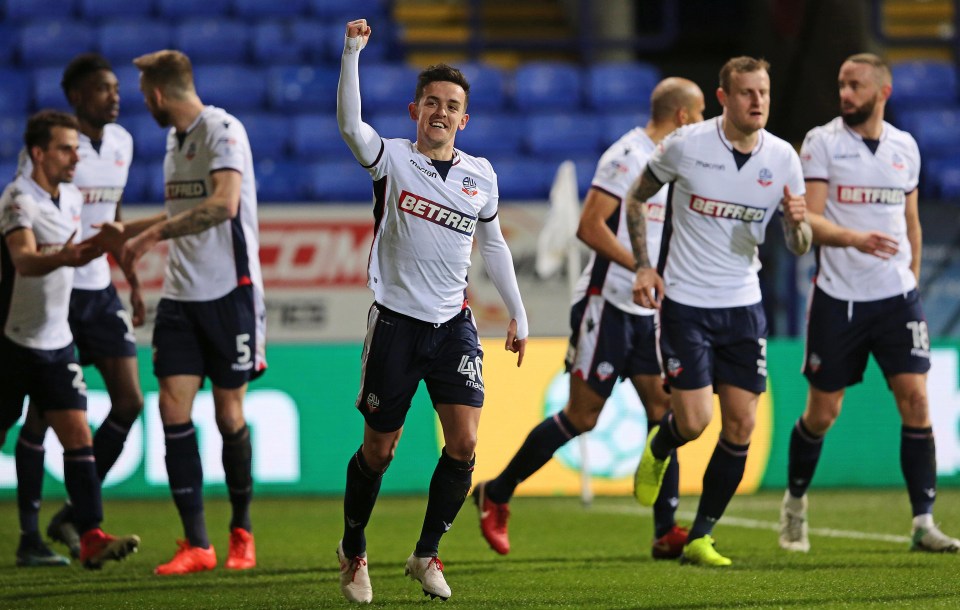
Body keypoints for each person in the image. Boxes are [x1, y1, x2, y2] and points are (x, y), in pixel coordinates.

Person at [471, 77, 705, 559]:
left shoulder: (671, 164)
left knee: (666, 412)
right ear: (682, 116)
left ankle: (665, 531)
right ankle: (496, 492)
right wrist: (638, 266)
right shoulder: (627, 155)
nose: (702, 126)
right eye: (699, 115)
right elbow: (589, 225)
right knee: (582, 417)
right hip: (608, 301)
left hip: (647, 309)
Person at [335, 19, 528, 603]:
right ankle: (353, 548)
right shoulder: (391, 160)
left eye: (453, 107)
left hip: (453, 326)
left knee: (466, 444)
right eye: (433, 103)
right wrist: (352, 52)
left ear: (464, 120)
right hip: (395, 322)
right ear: (415, 109)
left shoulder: (480, 177)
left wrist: (517, 314)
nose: (442, 113)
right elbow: (349, 124)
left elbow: (492, 245)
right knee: (380, 451)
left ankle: (426, 553)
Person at [628, 56, 812, 567]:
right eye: (748, 93)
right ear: (724, 97)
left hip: (743, 306)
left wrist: (799, 226)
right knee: (693, 422)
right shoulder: (686, 145)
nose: (758, 102)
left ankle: (701, 536)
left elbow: (799, 245)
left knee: (740, 427)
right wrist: (645, 265)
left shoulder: (783, 158)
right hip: (686, 303)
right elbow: (636, 198)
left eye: (765, 93)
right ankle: (661, 448)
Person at [778, 53, 960, 554]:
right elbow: (809, 221)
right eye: (841, 84)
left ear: (883, 91)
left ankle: (924, 521)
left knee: (917, 401)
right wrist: (856, 239)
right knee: (823, 411)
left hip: (896, 298)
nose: (845, 93)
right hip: (840, 298)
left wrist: (912, 280)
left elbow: (912, 222)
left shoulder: (905, 147)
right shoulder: (822, 143)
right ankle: (794, 504)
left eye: (855, 85)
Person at [112, 49, 266, 575]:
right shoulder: (172, 143)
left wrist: (152, 235)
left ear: (156, 96)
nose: (144, 104)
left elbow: (223, 205)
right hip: (180, 297)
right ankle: (196, 544)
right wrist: (131, 230)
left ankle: (241, 532)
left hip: (230, 293)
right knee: (172, 411)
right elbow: (183, 208)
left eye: (143, 96)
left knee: (228, 415)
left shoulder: (224, 130)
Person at [13, 53, 144, 564]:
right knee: (41, 419)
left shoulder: (122, 143)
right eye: (101, 89)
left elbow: (112, 217)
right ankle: (30, 534)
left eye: (115, 87)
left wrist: (129, 278)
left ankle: (73, 512)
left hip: (100, 288)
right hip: (59, 292)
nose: (114, 95)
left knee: (129, 400)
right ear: (75, 98)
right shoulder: (50, 154)